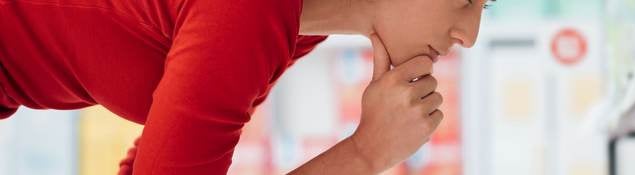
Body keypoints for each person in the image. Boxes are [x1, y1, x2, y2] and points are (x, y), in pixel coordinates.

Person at [0, 0, 489, 174]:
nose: (468, 35)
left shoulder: (299, 25)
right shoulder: (252, 12)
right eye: (465, 0)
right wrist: (363, 154)